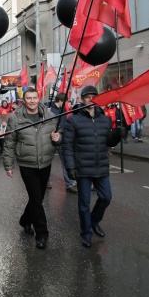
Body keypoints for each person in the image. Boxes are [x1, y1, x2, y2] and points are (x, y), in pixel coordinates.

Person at [62, 85, 121, 248]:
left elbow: (108, 141)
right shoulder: (73, 120)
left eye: (93, 97)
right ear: (82, 99)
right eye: (87, 97)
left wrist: (117, 135)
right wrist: (70, 167)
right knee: (84, 203)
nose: (91, 100)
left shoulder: (104, 119)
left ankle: (93, 221)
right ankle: (86, 233)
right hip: (82, 167)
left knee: (106, 197)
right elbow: (67, 145)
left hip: (101, 166)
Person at [3, 87, 62, 249]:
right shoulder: (15, 118)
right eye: (28, 98)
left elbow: (59, 136)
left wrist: (58, 138)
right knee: (36, 198)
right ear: (24, 100)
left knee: (38, 198)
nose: (32, 101)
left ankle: (25, 220)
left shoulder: (50, 116)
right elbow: (9, 143)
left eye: (34, 98)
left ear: (38, 98)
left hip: (45, 162)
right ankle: (42, 233)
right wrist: (9, 165)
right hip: (26, 164)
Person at [47, 92, 77, 193]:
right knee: (47, 161)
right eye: (66, 101)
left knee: (65, 161)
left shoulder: (63, 110)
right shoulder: (49, 109)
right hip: (51, 138)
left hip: (62, 138)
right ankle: (46, 180)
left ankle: (69, 183)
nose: (67, 103)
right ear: (60, 101)